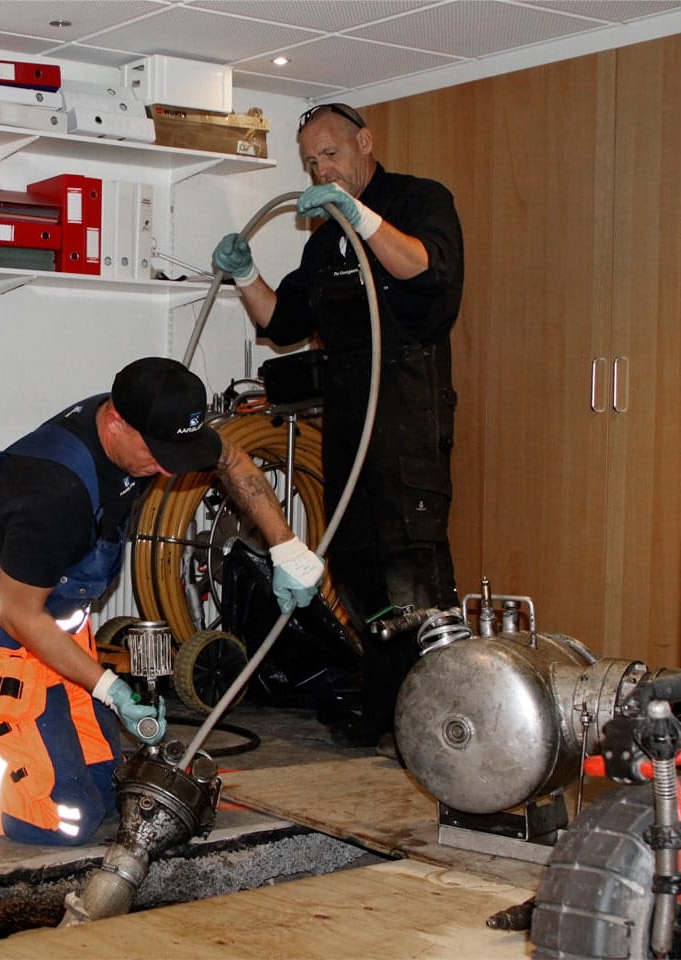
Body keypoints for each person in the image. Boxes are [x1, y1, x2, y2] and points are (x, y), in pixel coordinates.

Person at [0, 356, 324, 843]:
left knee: (104, 790)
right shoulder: (52, 490)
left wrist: (285, 546)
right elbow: (19, 615)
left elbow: (230, 457)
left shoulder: (148, 424)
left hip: (61, 634)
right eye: (157, 455)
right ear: (116, 421)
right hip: (1, 643)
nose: (168, 472)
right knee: (66, 816)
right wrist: (110, 688)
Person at [210, 102, 463, 745]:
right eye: (310, 162)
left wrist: (361, 216)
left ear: (365, 143)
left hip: (406, 407)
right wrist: (245, 275)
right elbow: (281, 323)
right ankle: (385, 712)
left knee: (411, 567)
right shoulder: (324, 241)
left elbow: (425, 268)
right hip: (348, 412)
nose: (321, 169)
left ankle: (441, 721)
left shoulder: (419, 201)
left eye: (330, 154)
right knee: (354, 564)